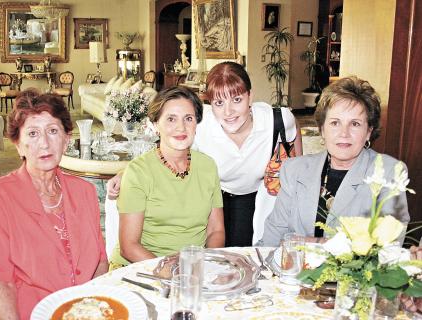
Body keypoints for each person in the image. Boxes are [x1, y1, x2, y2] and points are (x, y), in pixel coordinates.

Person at [108, 61, 302, 247]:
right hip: (214, 201)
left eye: (237, 100)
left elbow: (297, 160)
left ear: (250, 97)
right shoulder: (201, 123)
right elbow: (167, 145)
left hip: (257, 198)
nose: (228, 112)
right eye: (219, 102)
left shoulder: (278, 120)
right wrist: (126, 173)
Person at [0, 90, 108, 319]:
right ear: (18, 145)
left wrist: (90, 309)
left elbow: (100, 261)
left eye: (53, 131)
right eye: (33, 133)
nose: (44, 143)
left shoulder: (85, 191)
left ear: (66, 139)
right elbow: (1, 283)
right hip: (21, 312)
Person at [257, 76, 410, 247]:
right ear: (322, 129)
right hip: (293, 271)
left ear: (368, 132)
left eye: (355, 124)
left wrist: (312, 242)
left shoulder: (390, 173)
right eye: (335, 123)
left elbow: (386, 247)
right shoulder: (294, 169)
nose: (344, 133)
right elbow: (271, 239)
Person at [110, 86, 225, 268]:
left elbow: (216, 231)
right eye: (171, 119)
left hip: (193, 269)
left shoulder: (208, 167)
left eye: (188, 118)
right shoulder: (138, 172)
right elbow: (129, 246)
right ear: (156, 125)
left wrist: (206, 265)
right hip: (141, 267)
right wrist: (173, 271)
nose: (181, 127)